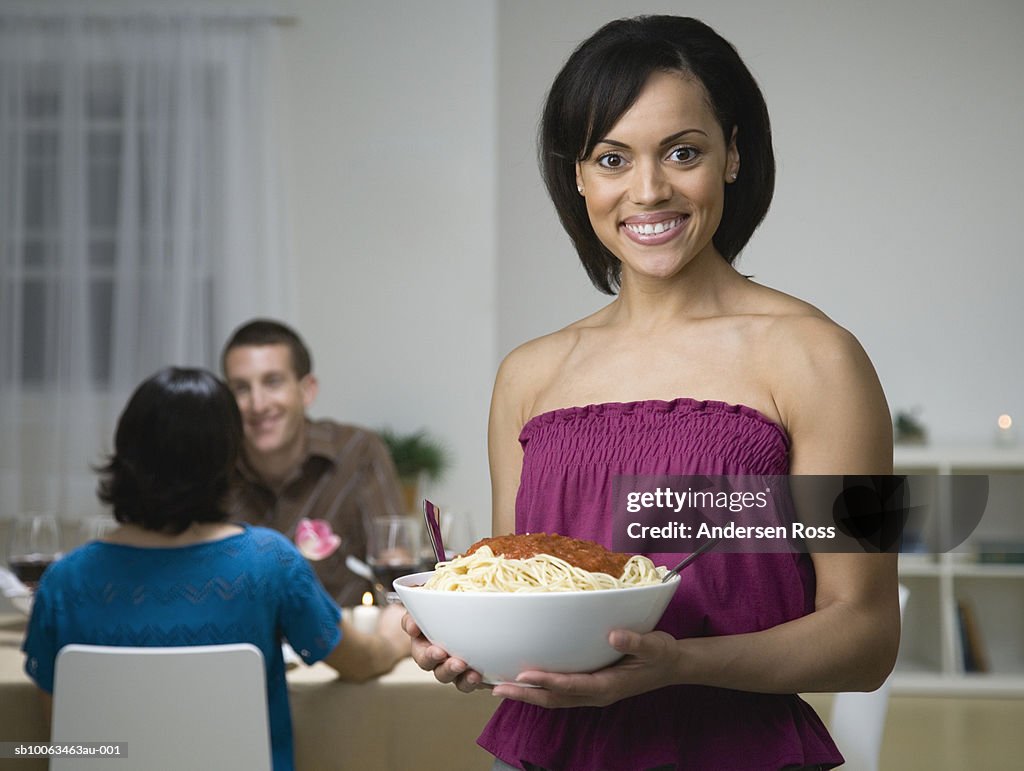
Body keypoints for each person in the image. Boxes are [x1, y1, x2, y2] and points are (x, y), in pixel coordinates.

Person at [406, 15, 900, 771]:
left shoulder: (823, 359)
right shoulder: (527, 376)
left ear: (732, 154)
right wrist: (466, 641)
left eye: (682, 152)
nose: (649, 190)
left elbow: (866, 637)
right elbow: (517, 598)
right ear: (577, 175)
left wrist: (680, 662)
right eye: (612, 157)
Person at [22, 367, 410, 771]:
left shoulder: (65, 581)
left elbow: (63, 737)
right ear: (228, 459)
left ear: (126, 454)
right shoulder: (269, 563)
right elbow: (361, 662)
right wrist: (394, 632)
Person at [221, 319, 404, 607]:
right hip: (244, 645)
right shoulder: (212, 467)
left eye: (272, 382)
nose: (257, 404)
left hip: (344, 646)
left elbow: (395, 563)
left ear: (307, 390)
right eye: (241, 388)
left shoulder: (357, 452)